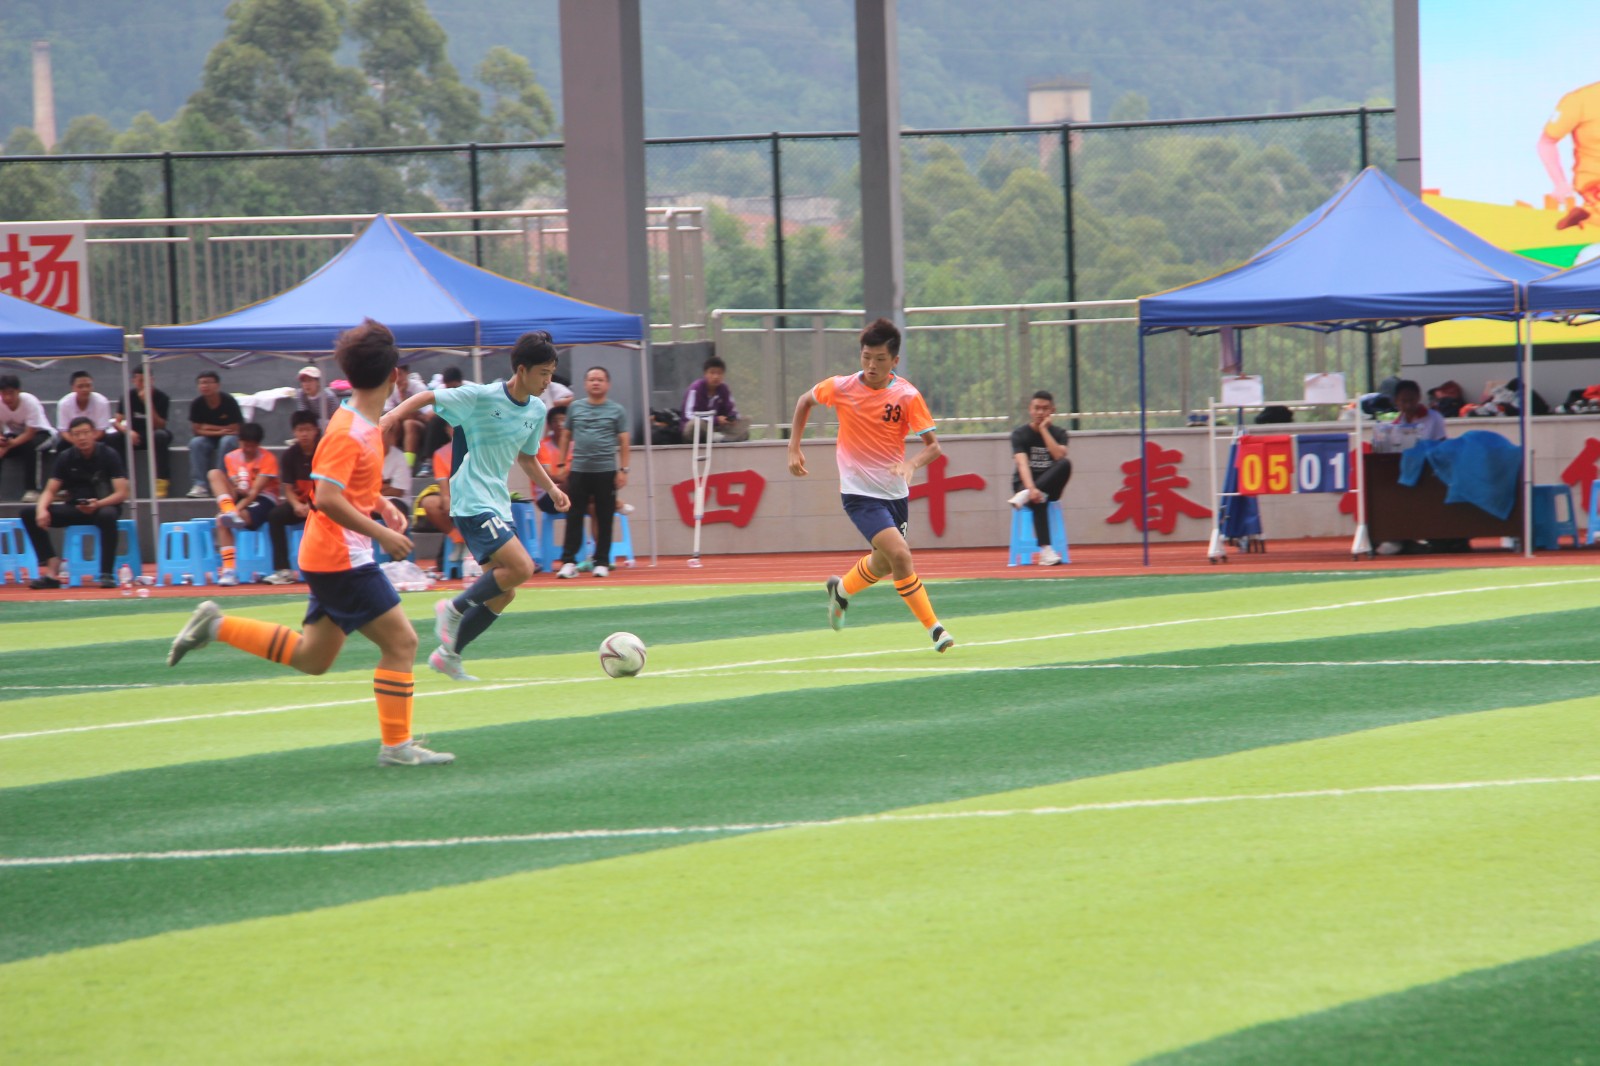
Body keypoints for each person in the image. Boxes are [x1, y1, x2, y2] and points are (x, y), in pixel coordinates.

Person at [167, 318, 453, 768]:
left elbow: (344, 485)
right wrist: (381, 533)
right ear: (394, 376)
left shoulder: (358, 421)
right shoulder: (349, 429)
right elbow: (326, 498)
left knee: (313, 657)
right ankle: (397, 746)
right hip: (341, 557)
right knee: (402, 643)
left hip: (330, 553)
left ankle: (216, 626)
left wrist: (381, 503)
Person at [381, 330, 571, 682]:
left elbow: (527, 458)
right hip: (470, 499)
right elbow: (428, 396)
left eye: (551, 373)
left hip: (498, 503)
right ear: (522, 369)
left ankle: (448, 655)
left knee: (504, 593)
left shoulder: (535, 410)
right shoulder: (481, 396)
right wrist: (391, 417)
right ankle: (452, 609)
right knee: (522, 567)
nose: (548, 381)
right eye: (543, 373)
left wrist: (552, 488)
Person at [787, 317, 953, 653]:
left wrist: (911, 464)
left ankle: (841, 592)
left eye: (880, 359)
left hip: (895, 494)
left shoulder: (907, 396)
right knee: (901, 556)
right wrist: (794, 446)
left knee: (883, 563)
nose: (871, 365)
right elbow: (805, 401)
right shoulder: (842, 387)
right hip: (859, 495)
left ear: (895, 361)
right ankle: (935, 629)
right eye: (866, 357)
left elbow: (934, 447)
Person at [19, 416, 129, 589]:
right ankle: (52, 568)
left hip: (103, 506)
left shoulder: (109, 454)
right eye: (77, 434)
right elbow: (50, 490)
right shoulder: (66, 457)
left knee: (107, 515)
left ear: (94, 433)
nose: (82, 438)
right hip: (75, 507)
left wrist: (98, 504)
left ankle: (106, 573)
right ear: (71, 436)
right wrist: (42, 509)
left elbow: (122, 493)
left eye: (85, 433)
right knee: (28, 513)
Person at [556, 366, 629, 580]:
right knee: (574, 516)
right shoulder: (575, 408)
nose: (596, 383)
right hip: (579, 470)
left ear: (608, 384)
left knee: (605, 517)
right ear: (585, 384)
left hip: (606, 471)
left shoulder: (617, 410)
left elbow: (624, 441)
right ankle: (569, 562)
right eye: (591, 379)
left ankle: (602, 562)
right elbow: (565, 436)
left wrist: (623, 470)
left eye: (600, 379)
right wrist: (561, 464)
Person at [208, 422, 281, 587]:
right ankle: (228, 571)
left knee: (223, 520)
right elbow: (236, 490)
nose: (248, 448)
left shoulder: (268, 459)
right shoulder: (231, 457)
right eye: (245, 444)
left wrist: (236, 511)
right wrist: (232, 503)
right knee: (214, 474)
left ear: (258, 444)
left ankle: (230, 513)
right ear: (239, 441)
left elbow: (254, 492)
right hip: (240, 496)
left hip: (263, 498)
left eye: (252, 445)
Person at [1006, 390, 1071, 567]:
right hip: (1024, 485)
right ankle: (1046, 551)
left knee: (1065, 464)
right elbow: (1022, 464)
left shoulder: (1060, 433)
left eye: (1045, 408)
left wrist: (1043, 430)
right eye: (1036, 408)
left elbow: (1058, 456)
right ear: (1030, 409)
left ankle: (1028, 495)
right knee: (1039, 497)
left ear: (1052, 410)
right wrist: (1031, 489)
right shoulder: (1019, 434)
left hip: (1051, 486)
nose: (1040, 412)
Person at [264, 410, 319, 584]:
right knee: (275, 515)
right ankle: (283, 570)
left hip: (323, 502)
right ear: (294, 432)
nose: (304, 434)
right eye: (300, 430)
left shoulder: (324, 451)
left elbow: (328, 486)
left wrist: (312, 505)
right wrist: (296, 505)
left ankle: (327, 567)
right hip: (300, 503)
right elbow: (287, 487)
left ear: (315, 430)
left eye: (308, 429)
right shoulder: (290, 455)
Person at [1539, 81, 1600, 230]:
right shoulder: (1579, 101)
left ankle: (1587, 215)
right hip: (1594, 182)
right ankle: (1587, 214)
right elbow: (1546, 142)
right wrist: (1560, 183)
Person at [112, 363, 173, 498]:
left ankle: (161, 480)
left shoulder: (162, 397)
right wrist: (128, 432)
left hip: (153, 432)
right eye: (140, 380)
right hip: (134, 434)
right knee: (114, 438)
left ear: (152, 380)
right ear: (134, 381)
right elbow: (116, 422)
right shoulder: (128, 396)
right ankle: (123, 480)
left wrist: (148, 403)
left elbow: (160, 425)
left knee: (161, 436)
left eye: (146, 380)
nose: (143, 384)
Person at [0, 373, 57, 503]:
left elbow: (30, 433)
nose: (8, 398)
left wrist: (9, 445)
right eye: (3, 394)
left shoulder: (30, 402)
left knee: (31, 446)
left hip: (41, 434)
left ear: (18, 391)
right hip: (15, 436)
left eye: (11, 393)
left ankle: (32, 490)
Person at [186, 371, 243, 498]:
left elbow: (234, 429)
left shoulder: (228, 401)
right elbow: (196, 430)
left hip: (230, 437)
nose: (204, 386)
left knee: (227, 441)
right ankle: (200, 485)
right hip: (209, 438)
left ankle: (220, 481)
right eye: (201, 383)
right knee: (196, 443)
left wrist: (208, 427)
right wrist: (219, 431)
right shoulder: (197, 403)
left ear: (217, 385)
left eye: (208, 382)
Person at [682, 354, 748, 442]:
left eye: (719, 373)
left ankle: (719, 438)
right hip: (699, 428)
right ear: (705, 374)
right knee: (695, 425)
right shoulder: (696, 388)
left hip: (716, 428)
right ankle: (720, 438)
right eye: (712, 373)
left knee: (744, 427)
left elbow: (732, 410)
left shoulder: (724, 389)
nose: (716, 377)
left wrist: (732, 418)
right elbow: (688, 415)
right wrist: (715, 420)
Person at [1372, 379, 1447, 454]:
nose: (1408, 405)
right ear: (1396, 401)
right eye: (1404, 401)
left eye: (1411, 400)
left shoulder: (1434, 418)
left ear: (1418, 397)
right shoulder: (1397, 424)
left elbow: (1442, 446)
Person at [55, 370, 114, 443]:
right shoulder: (64, 403)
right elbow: (63, 431)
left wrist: (87, 442)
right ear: (73, 388)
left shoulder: (102, 402)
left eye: (88, 386)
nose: (85, 389)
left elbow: (101, 430)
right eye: (80, 386)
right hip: (73, 439)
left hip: (96, 438)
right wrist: (79, 442)